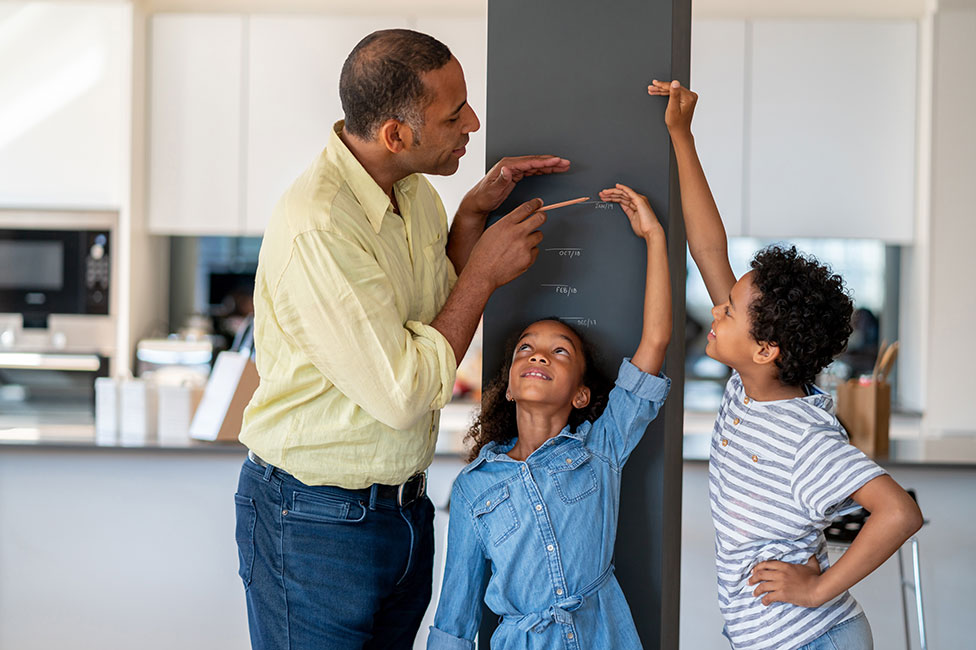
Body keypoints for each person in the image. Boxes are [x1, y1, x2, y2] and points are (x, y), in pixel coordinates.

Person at [234, 29, 571, 650]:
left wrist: (470, 218)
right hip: (314, 525)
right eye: (454, 114)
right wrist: (485, 272)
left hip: (403, 513)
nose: (473, 122)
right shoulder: (321, 227)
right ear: (395, 134)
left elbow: (431, 311)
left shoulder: (413, 193)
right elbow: (404, 391)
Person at [649, 79, 923, 650]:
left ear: (766, 349)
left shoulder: (804, 437)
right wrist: (681, 135)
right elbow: (708, 249)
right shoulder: (749, 384)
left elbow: (898, 512)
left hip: (815, 640)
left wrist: (818, 589)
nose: (715, 309)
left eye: (727, 310)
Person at [427, 183, 673, 649]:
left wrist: (656, 236)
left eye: (559, 351)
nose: (538, 356)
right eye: (526, 348)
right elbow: (454, 618)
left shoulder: (602, 449)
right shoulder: (472, 488)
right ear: (510, 387)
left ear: (581, 395)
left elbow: (655, 342)